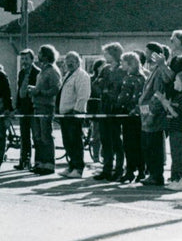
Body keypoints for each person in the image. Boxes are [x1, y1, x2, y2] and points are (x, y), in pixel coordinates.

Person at [137, 43, 173, 187]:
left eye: (148, 52)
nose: (145, 55)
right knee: (147, 145)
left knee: (154, 147)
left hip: (154, 114)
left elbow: (158, 93)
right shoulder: (153, 70)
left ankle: (156, 175)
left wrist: (151, 113)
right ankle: (152, 174)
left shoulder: (159, 71)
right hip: (147, 113)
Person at [155, 70, 182, 191]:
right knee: (175, 154)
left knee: (181, 154)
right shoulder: (178, 96)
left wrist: (164, 101)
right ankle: (177, 179)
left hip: (181, 129)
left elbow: (176, 114)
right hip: (174, 129)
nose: (174, 82)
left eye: (176, 80)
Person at [27, 45, 62, 175]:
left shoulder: (52, 71)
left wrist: (39, 91)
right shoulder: (43, 70)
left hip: (46, 106)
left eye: (40, 53)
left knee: (46, 136)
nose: (38, 55)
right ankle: (40, 163)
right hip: (37, 105)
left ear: (46, 55)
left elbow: (55, 89)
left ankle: (49, 164)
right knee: (37, 136)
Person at [93, 42, 125, 181]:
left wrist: (107, 89)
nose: (105, 55)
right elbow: (96, 83)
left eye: (107, 52)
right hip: (104, 107)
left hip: (115, 108)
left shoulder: (121, 69)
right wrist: (104, 89)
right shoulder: (105, 69)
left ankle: (118, 169)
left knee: (116, 140)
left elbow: (117, 87)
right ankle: (106, 168)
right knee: (105, 139)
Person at [58, 52, 90, 178]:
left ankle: (78, 168)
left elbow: (83, 96)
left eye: (72, 61)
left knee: (75, 141)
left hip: (74, 114)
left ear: (78, 62)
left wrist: (77, 112)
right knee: (68, 142)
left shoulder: (82, 76)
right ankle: (71, 165)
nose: (69, 63)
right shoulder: (68, 75)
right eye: (67, 61)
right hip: (65, 115)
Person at [116, 51, 146, 183]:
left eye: (123, 62)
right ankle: (135, 170)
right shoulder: (136, 77)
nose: (121, 64)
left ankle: (136, 170)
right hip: (131, 113)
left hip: (132, 114)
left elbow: (132, 97)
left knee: (133, 144)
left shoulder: (135, 78)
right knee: (132, 144)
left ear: (130, 64)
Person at [14, 49, 39, 170]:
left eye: (26, 59)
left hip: (33, 108)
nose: (24, 62)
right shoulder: (21, 73)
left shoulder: (38, 73)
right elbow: (19, 91)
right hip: (23, 108)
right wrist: (17, 107)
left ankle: (38, 162)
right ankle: (24, 161)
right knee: (24, 136)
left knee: (36, 135)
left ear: (32, 59)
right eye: (22, 59)